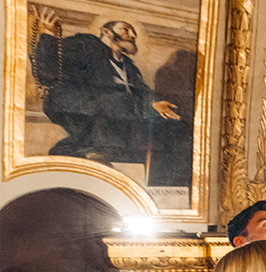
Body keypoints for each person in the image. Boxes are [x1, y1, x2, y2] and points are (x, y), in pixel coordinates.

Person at [30, 8, 181, 165]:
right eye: (125, 29)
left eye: (134, 33)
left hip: (119, 123)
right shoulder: (85, 45)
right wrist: (49, 35)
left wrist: (155, 102)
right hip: (83, 109)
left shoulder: (130, 68)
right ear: (106, 32)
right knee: (118, 103)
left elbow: (142, 91)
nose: (132, 35)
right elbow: (48, 71)